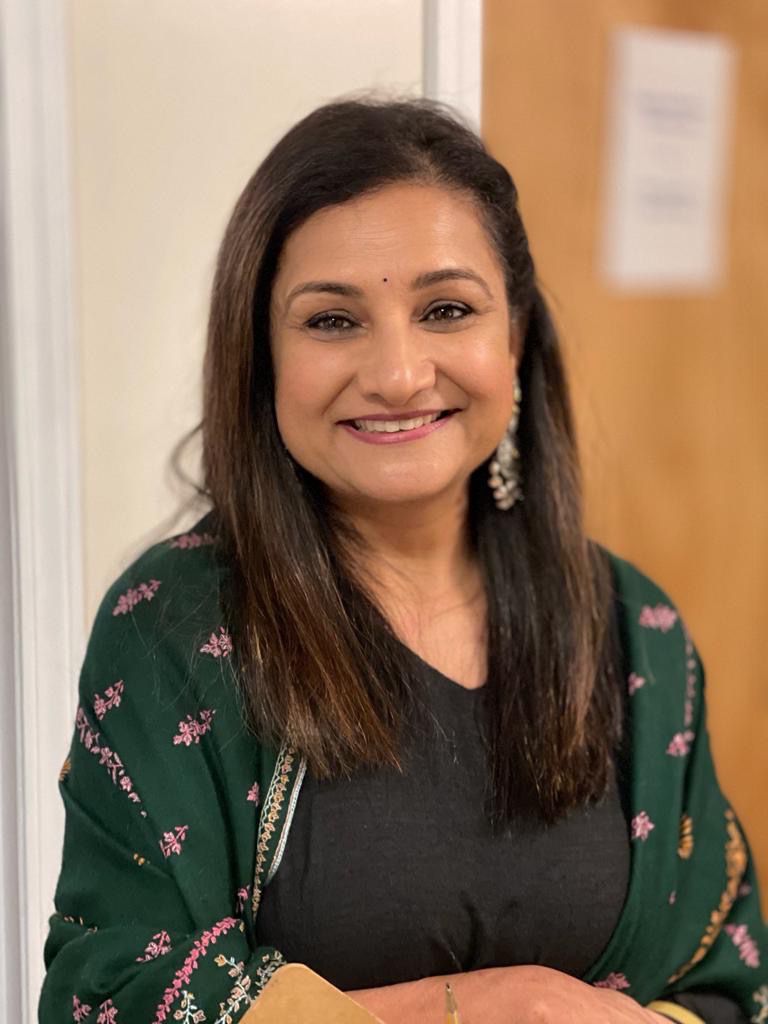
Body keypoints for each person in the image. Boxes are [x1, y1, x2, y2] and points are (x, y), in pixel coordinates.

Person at [39, 97, 766, 1024]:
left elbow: (729, 983)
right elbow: (109, 990)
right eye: (333, 321)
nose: (397, 373)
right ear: (261, 359)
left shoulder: (633, 628)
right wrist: (485, 1006)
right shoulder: (171, 628)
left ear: (516, 337)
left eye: (447, 309)